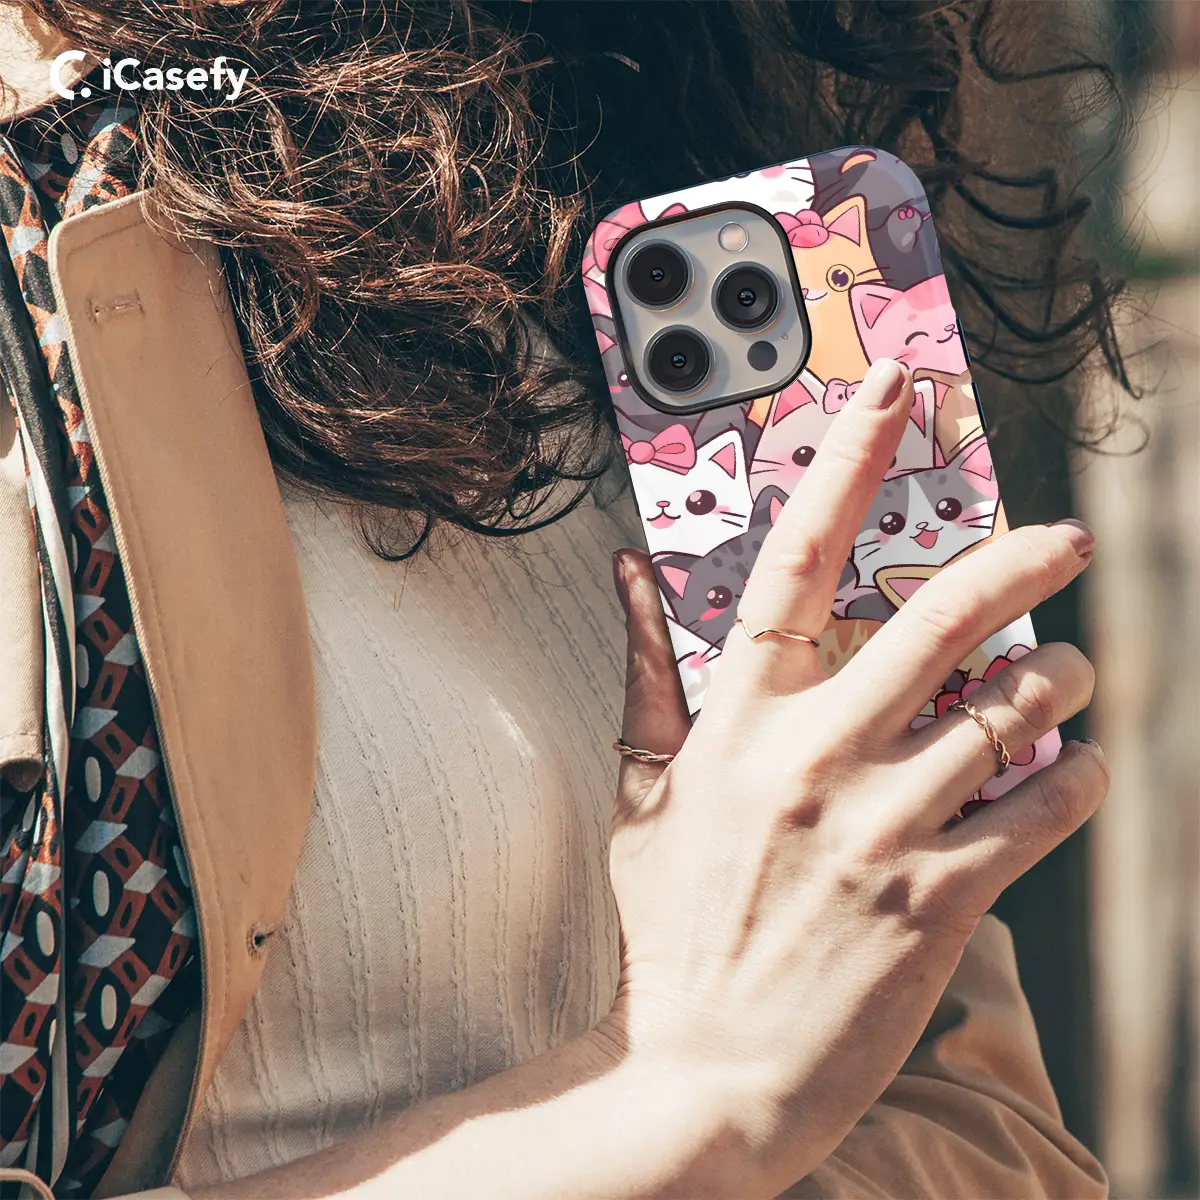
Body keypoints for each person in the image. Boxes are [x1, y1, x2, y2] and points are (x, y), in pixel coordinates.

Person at [0, 3, 1124, 1196]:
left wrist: (739, 1093)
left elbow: (990, 1137)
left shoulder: (622, 178)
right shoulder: (46, 259)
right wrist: (685, 1091)